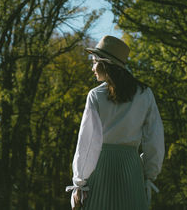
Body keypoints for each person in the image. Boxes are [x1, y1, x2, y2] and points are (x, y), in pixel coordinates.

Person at [66, 35, 164, 210]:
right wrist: (149, 174)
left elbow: (88, 143)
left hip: (100, 167)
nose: (92, 68)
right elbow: (154, 140)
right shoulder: (145, 94)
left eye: (95, 62)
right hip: (131, 169)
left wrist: (79, 183)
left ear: (106, 64)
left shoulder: (95, 96)